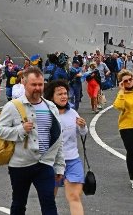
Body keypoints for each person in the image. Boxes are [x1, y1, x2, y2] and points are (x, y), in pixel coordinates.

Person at [0, 66, 65, 215]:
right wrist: (20, 130)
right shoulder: (13, 106)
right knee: (19, 204)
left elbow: (58, 138)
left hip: (44, 163)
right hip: (21, 165)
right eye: (34, 84)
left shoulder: (51, 107)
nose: (38, 88)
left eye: (40, 84)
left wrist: (59, 165)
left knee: (49, 204)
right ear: (24, 83)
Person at [46, 79, 87, 215]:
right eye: (60, 94)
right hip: (52, 161)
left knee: (74, 196)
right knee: (49, 199)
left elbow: (82, 133)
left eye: (65, 93)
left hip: (72, 160)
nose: (64, 96)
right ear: (51, 97)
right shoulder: (46, 114)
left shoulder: (73, 113)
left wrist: (82, 126)